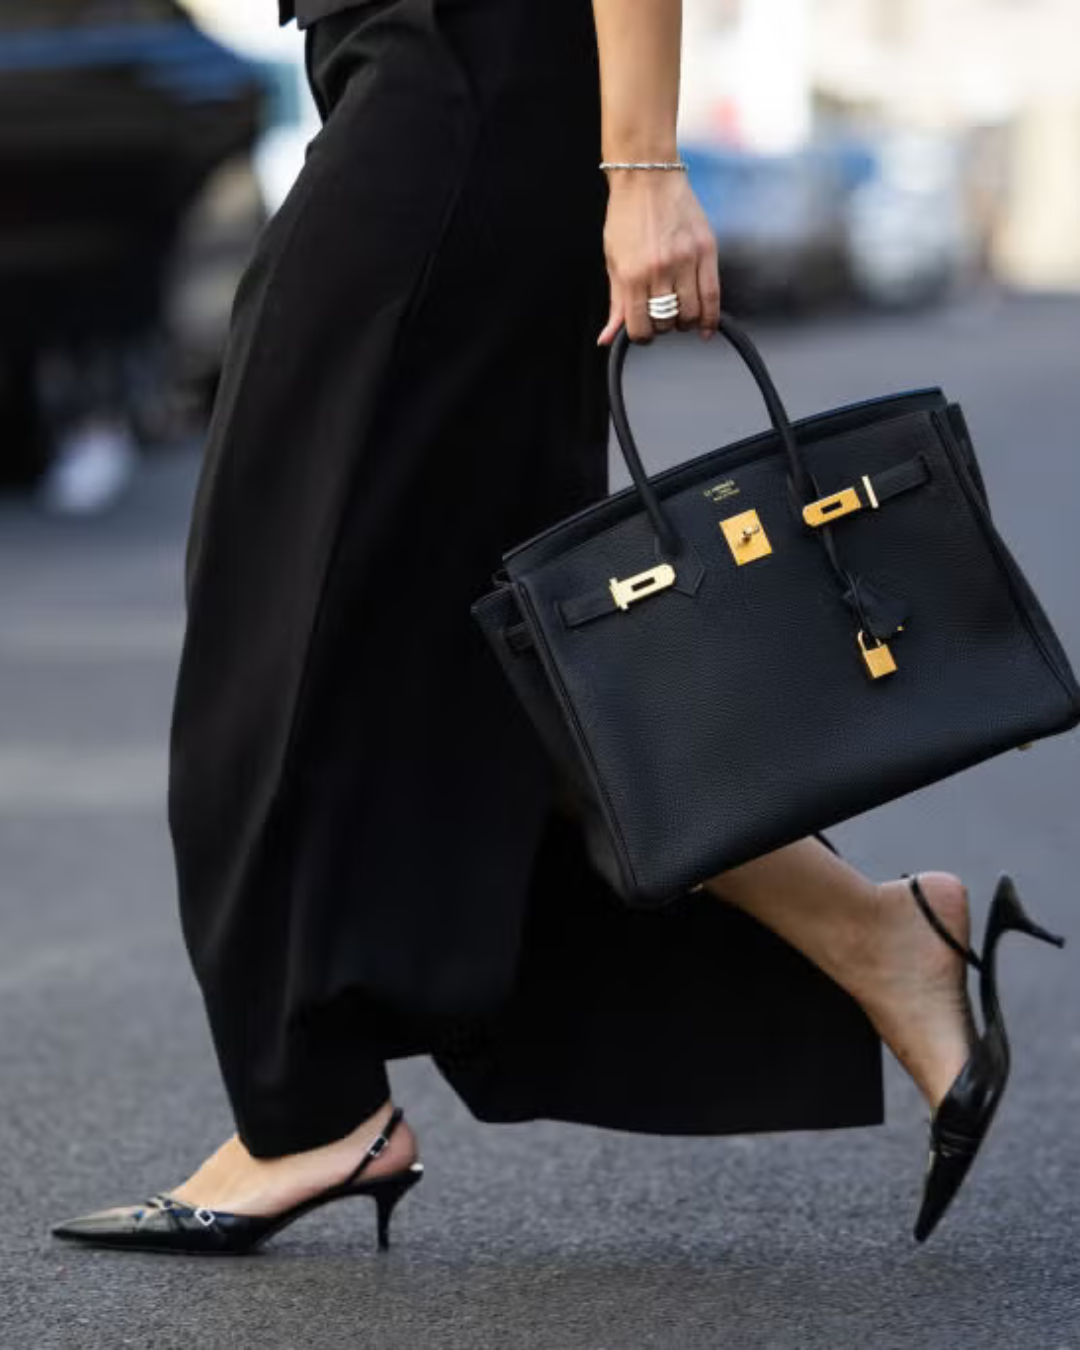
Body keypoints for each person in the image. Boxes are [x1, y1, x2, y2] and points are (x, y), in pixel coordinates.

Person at [52, 0, 1061, 1256]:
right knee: (484, 645)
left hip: (462, 89)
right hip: (423, 92)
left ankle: (305, 1110)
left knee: (278, 610)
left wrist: (643, 167)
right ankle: (872, 933)